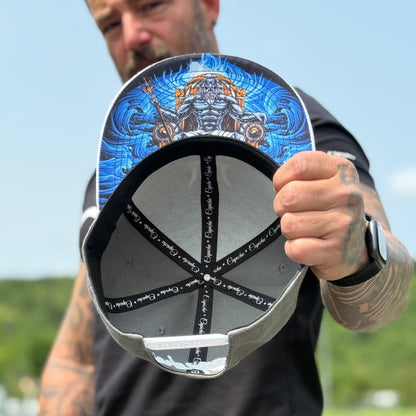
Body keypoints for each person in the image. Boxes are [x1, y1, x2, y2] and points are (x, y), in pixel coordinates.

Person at [38, 1, 414, 415]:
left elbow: (385, 295)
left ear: (209, 5)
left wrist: (359, 251)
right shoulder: (112, 167)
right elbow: (77, 357)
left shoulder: (294, 128)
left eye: (151, 5)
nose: (132, 36)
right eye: (110, 24)